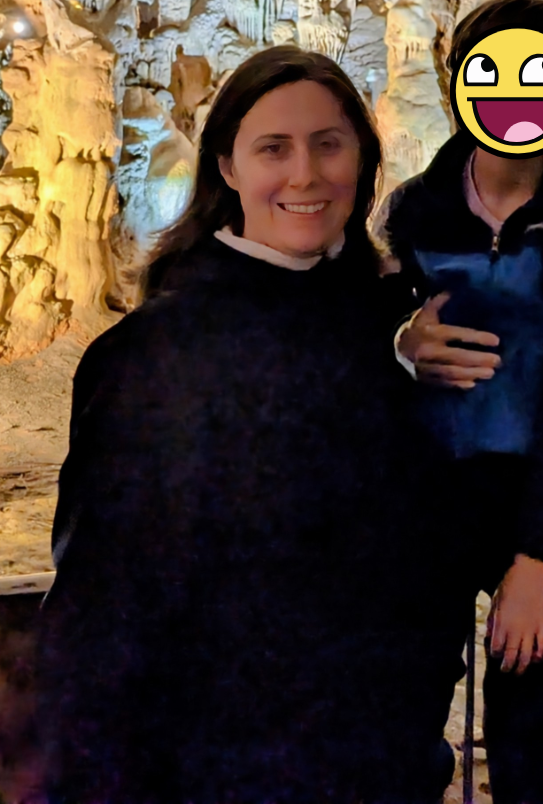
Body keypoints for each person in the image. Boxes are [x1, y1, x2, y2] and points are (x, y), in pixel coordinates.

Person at [34, 47, 440, 804]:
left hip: (371, 762)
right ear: (227, 167)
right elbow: (99, 608)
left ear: (362, 159)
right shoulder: (150, 356)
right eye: (273, 149)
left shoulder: (384, 332)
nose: (305, 175)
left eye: (328, 144)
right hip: (209, 768)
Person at [384, 0, 543, 804]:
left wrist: (537, 559)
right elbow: (366, 330)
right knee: (397, 722)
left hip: (539, 501)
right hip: (429, 504)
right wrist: (400, 341)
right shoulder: (417, 210)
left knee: (524, 735)